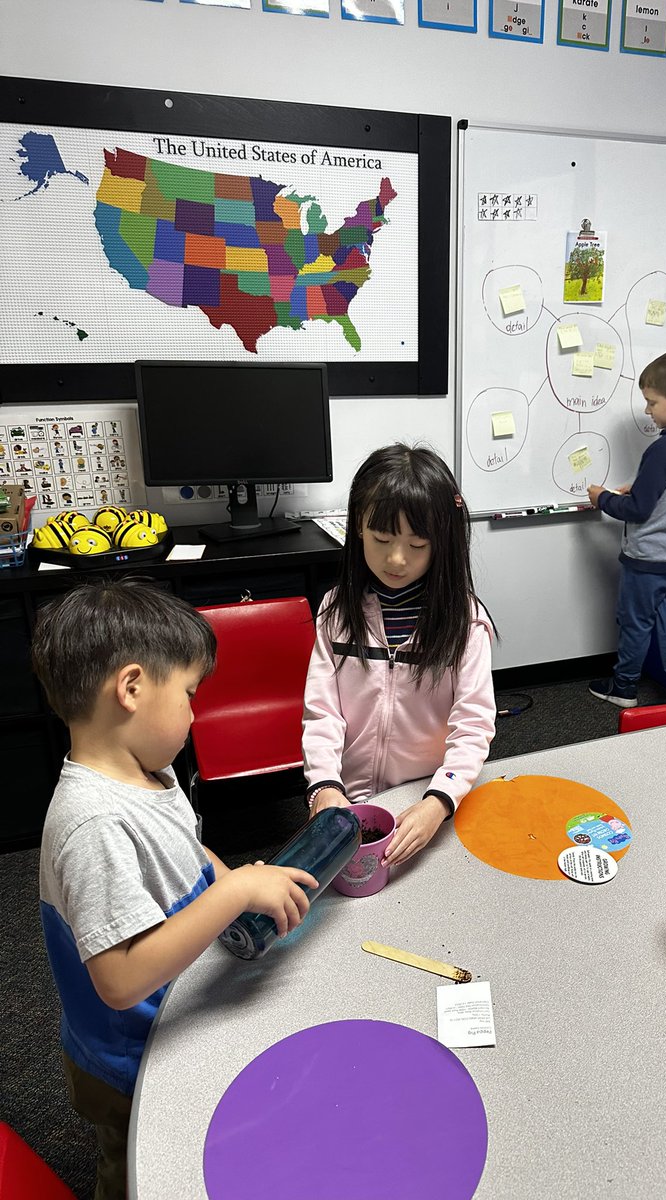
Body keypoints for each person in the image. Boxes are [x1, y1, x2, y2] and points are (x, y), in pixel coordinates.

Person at [32, 580, 318, 1200]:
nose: (194, 714)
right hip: (128, 1060)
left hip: (175, 1016)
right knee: (139, 1169)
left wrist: (231, 879)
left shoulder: (150, 770)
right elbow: (119, 980)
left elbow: (187, 847)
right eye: (189, 695)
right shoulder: (92, 825)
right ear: (132, 688)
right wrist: (233, 894)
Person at [302, 443, 496, 865]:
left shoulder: (465, 622)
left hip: (427, 797)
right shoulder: (336, 611)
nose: (396, 558)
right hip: (351, 796)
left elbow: (473, 726)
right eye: (382, 539)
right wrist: (325, 785)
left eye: (417, 544)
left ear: (441, 542)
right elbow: (322, 713)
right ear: (358, 526)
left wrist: (439, 801)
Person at [586, 348, 666, 708]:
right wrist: (642, 484)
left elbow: (637, 510)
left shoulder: (664, 449)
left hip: (648, 558)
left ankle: (624, 688)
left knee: (635, 623)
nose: (647, 410)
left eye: (651, 402)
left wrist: (601, 498)